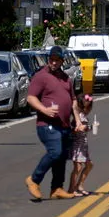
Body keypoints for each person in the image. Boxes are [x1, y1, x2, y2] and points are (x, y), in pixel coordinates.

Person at [25, 45, 76, 201]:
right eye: (51, 60)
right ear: (49, 60)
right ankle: (34, 180)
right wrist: (44, 109)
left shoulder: (65, 78)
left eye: (57, 60)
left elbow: (73, 100)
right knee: (55, 151)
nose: (54, 63)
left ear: (62, 61)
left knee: (61, 156)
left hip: (64, 125)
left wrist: (78, 120)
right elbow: (31, 97)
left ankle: (57, 188)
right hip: (47, 124)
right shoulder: (41, 76)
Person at [68, 93, 95, 197]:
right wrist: (88, 127)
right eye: (87, 107)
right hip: (77, 144)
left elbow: (84, 127)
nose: (88, 109)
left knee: (89, 165)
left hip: (83, 145)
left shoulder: (83, 115)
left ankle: (79, 185)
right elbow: (75, 128)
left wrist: (90, 127)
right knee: (77, 167)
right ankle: (71, 189)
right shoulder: (78, 116)